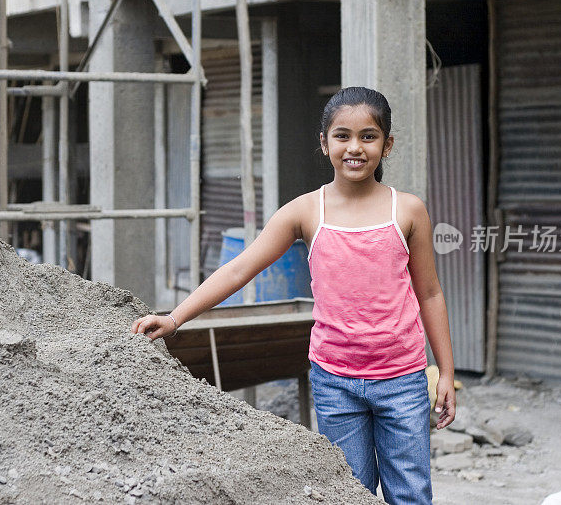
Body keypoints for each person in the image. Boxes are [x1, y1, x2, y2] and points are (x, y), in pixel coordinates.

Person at [132, 86, 456, 504]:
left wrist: (445, 372)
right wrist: (175, 318)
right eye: (342, 136)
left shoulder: (408, 210)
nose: (354, 147)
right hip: (335, 380)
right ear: (324, 144)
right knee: (350, 492)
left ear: (387, 144)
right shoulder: (305, 211)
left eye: (368, 136)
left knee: (411, 493)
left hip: (402, 378)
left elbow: (429, 293)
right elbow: (238, 269)